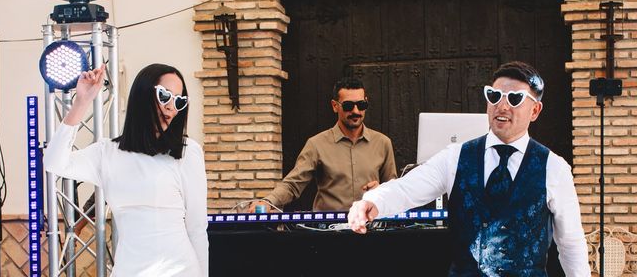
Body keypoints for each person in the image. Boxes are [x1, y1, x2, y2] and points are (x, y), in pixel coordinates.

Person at [348, 61, 590, 277]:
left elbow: (571, 243)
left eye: (514, 98)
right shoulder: (456, 157)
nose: (502, 106)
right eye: (494, 96)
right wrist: (373, 201)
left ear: (535, 110)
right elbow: (408, 187)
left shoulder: (554, 167)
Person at [44, 63, 208, 277]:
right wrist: (81, 103)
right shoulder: (108, 153)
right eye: (164, 95)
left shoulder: (187, 152)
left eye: (179, 101)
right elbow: (54, 163)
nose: (171, 107)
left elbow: (196, 228)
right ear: (143, 94)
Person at [250, 76, 397, 212]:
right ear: (335, 106)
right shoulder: (316, 144)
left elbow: (394, 190)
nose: (356, 111)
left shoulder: (383, 143)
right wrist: (268, 202)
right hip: (328, 231)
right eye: (348, 106)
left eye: (361, 104)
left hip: (370, 229)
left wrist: (381, 191)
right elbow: (293, 184)